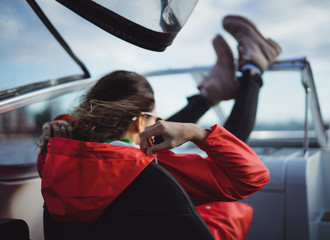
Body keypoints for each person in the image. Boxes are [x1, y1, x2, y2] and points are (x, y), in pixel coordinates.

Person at [38, 15, 280, 240]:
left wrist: (67, 128)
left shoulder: (58, 163)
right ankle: (252, 69)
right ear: (140, 121)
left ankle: (210, 94)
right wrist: (197, 133)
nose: (160, 123)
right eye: (154, 118)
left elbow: (87, 149)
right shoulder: (157, 171)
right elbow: (252, 176)